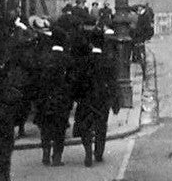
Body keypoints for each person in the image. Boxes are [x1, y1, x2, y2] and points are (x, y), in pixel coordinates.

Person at [72, 28, 117, 167]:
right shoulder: (107, 61)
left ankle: (87, 151)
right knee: (101, 126)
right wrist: (115, 100)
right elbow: (112, 82)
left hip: (86, 98)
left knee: (85, 126)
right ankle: (98, 152)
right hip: (102, 99)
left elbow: (78, 80)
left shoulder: (84, 61)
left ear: (91, 43)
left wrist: (76, 97)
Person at [36, 30, 76, 166]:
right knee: (60, 128)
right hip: (61, 100)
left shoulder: (43, 58)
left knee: (45, 127)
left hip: (45, 98)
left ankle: (45, 153)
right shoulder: (67, 59)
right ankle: (57, 156)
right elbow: (71, 82)